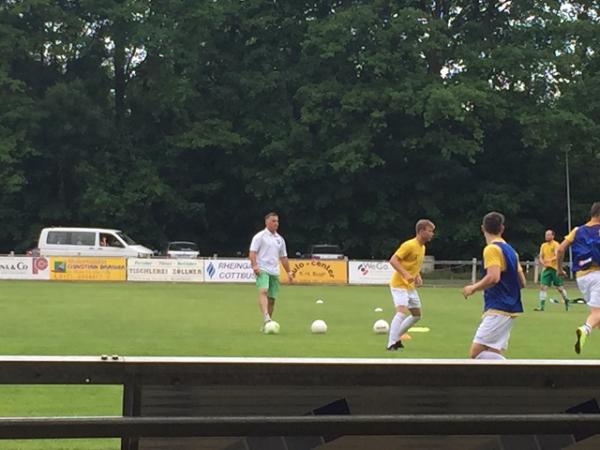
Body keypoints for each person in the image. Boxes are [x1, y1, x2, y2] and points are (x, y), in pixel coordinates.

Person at [462, 212, 526, 360]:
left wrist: (473, 287)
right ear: (502, 228)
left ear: (482, 228)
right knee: (493, 351)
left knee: (476, 353)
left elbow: (493, 277)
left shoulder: (491, 249)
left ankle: (519, 375)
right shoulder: (511, 251)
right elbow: (522, 282)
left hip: (499, 307)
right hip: (510, 307)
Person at [557, 202, 600, 354]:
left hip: (581, 277)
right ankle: (585, 329)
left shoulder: (577, 230)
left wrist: (559, 268)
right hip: (598, 275)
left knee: (598, 317)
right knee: (597, 313)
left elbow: (560, 249)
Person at [386, 219, 435, 350]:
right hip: (399, 285)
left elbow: (414, 264)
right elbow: (393, 260)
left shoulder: (422, 247)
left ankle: (397, 337)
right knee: (401, 312)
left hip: (410, 287)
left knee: (416, 315)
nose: (432, 234)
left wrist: (417, 275)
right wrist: (406, 275)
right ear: (421, 231)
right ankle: (391, 343)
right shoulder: (409, 245)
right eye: (430, 231)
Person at [249, 212, 294, 329]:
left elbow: (283, 257)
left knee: (272, 299)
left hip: (274, 271)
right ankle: (266, 317)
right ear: (267, 222)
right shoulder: (259, 237)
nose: (276, 223)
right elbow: (252, 252)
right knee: (263, 290)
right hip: (262, 269)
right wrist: (254, 266)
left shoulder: (280, 239)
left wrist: (289, 272)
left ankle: (267, 324)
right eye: (273, 221)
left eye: (277, 221)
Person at [534, 229, 570, 311]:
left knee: (559, 288)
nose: (547, 236)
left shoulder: (556, 244)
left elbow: (557, 255)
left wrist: (549, 260)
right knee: (542, 287)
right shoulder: (543, 245)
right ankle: (541, 306)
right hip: (546, 269)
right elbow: (541, 256)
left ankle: (566, 300)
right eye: (546, 235)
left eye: (548, 235)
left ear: (553, 236)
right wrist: (542, 261)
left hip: (555, 269)